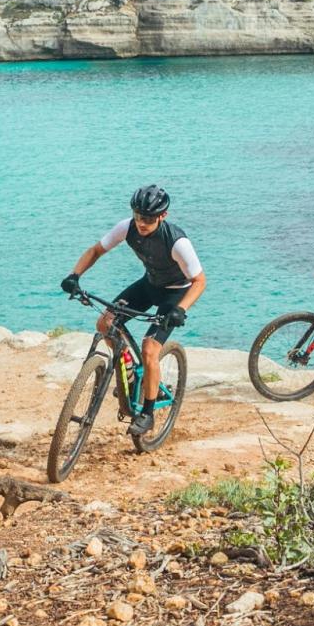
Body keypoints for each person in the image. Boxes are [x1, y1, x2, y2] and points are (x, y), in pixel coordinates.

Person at [61, 185, 206, 438]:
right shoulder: (126, 227)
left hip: (175, 293)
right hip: (149, 285)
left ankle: (147, 413)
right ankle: (128, 371)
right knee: (105, 324)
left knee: (150, 347)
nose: (142, 222)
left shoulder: (177, 242)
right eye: (138, 216)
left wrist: (180, 310)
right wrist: (75, 275)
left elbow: (200, 281)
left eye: (148, 218)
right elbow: (96, 250)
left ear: (163, 216)